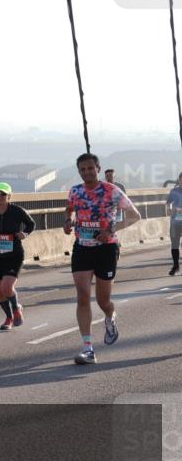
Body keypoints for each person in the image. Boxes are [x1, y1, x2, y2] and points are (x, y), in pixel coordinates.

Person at [63, 153, 142, 365]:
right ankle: (88, 348)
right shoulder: (76, 191)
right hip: (82, 248)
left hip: (106, 249)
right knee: (82, 295)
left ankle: (110, 317)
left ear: (98, 168)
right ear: (79, 171)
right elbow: (70, 209)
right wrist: (68, 222)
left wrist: (110, 230)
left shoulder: (111, 191)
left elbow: (135, 215)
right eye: (83, 169)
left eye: (90, 168)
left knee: (103, 301)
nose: (87, 172)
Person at [0, 183, 35, 330]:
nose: (0, 196)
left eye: (3, 194)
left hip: (14, 255)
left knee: (7, 286)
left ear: (9, 196)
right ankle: (9, 317)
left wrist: (25, 234)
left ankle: (17, 308)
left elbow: (31, 224)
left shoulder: (17, 211)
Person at [167, 172, 182, 276]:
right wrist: (169, 210)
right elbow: (168, 203)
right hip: (175, 221)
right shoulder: (174, 191)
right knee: (174, 245)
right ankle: (176, 266)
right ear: (179, 180)